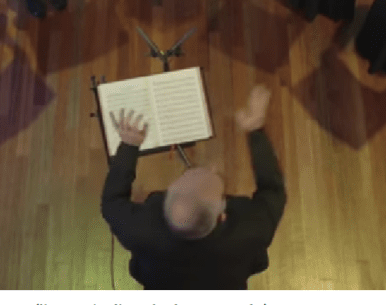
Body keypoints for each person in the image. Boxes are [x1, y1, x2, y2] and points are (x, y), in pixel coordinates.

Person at [101, 85, 286, 290]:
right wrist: (255, 129)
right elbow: (273, 190)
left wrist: (129, 145)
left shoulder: (139, 229)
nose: (212, 167)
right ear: (222, 216)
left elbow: (111, 202)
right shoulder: (251, 231)